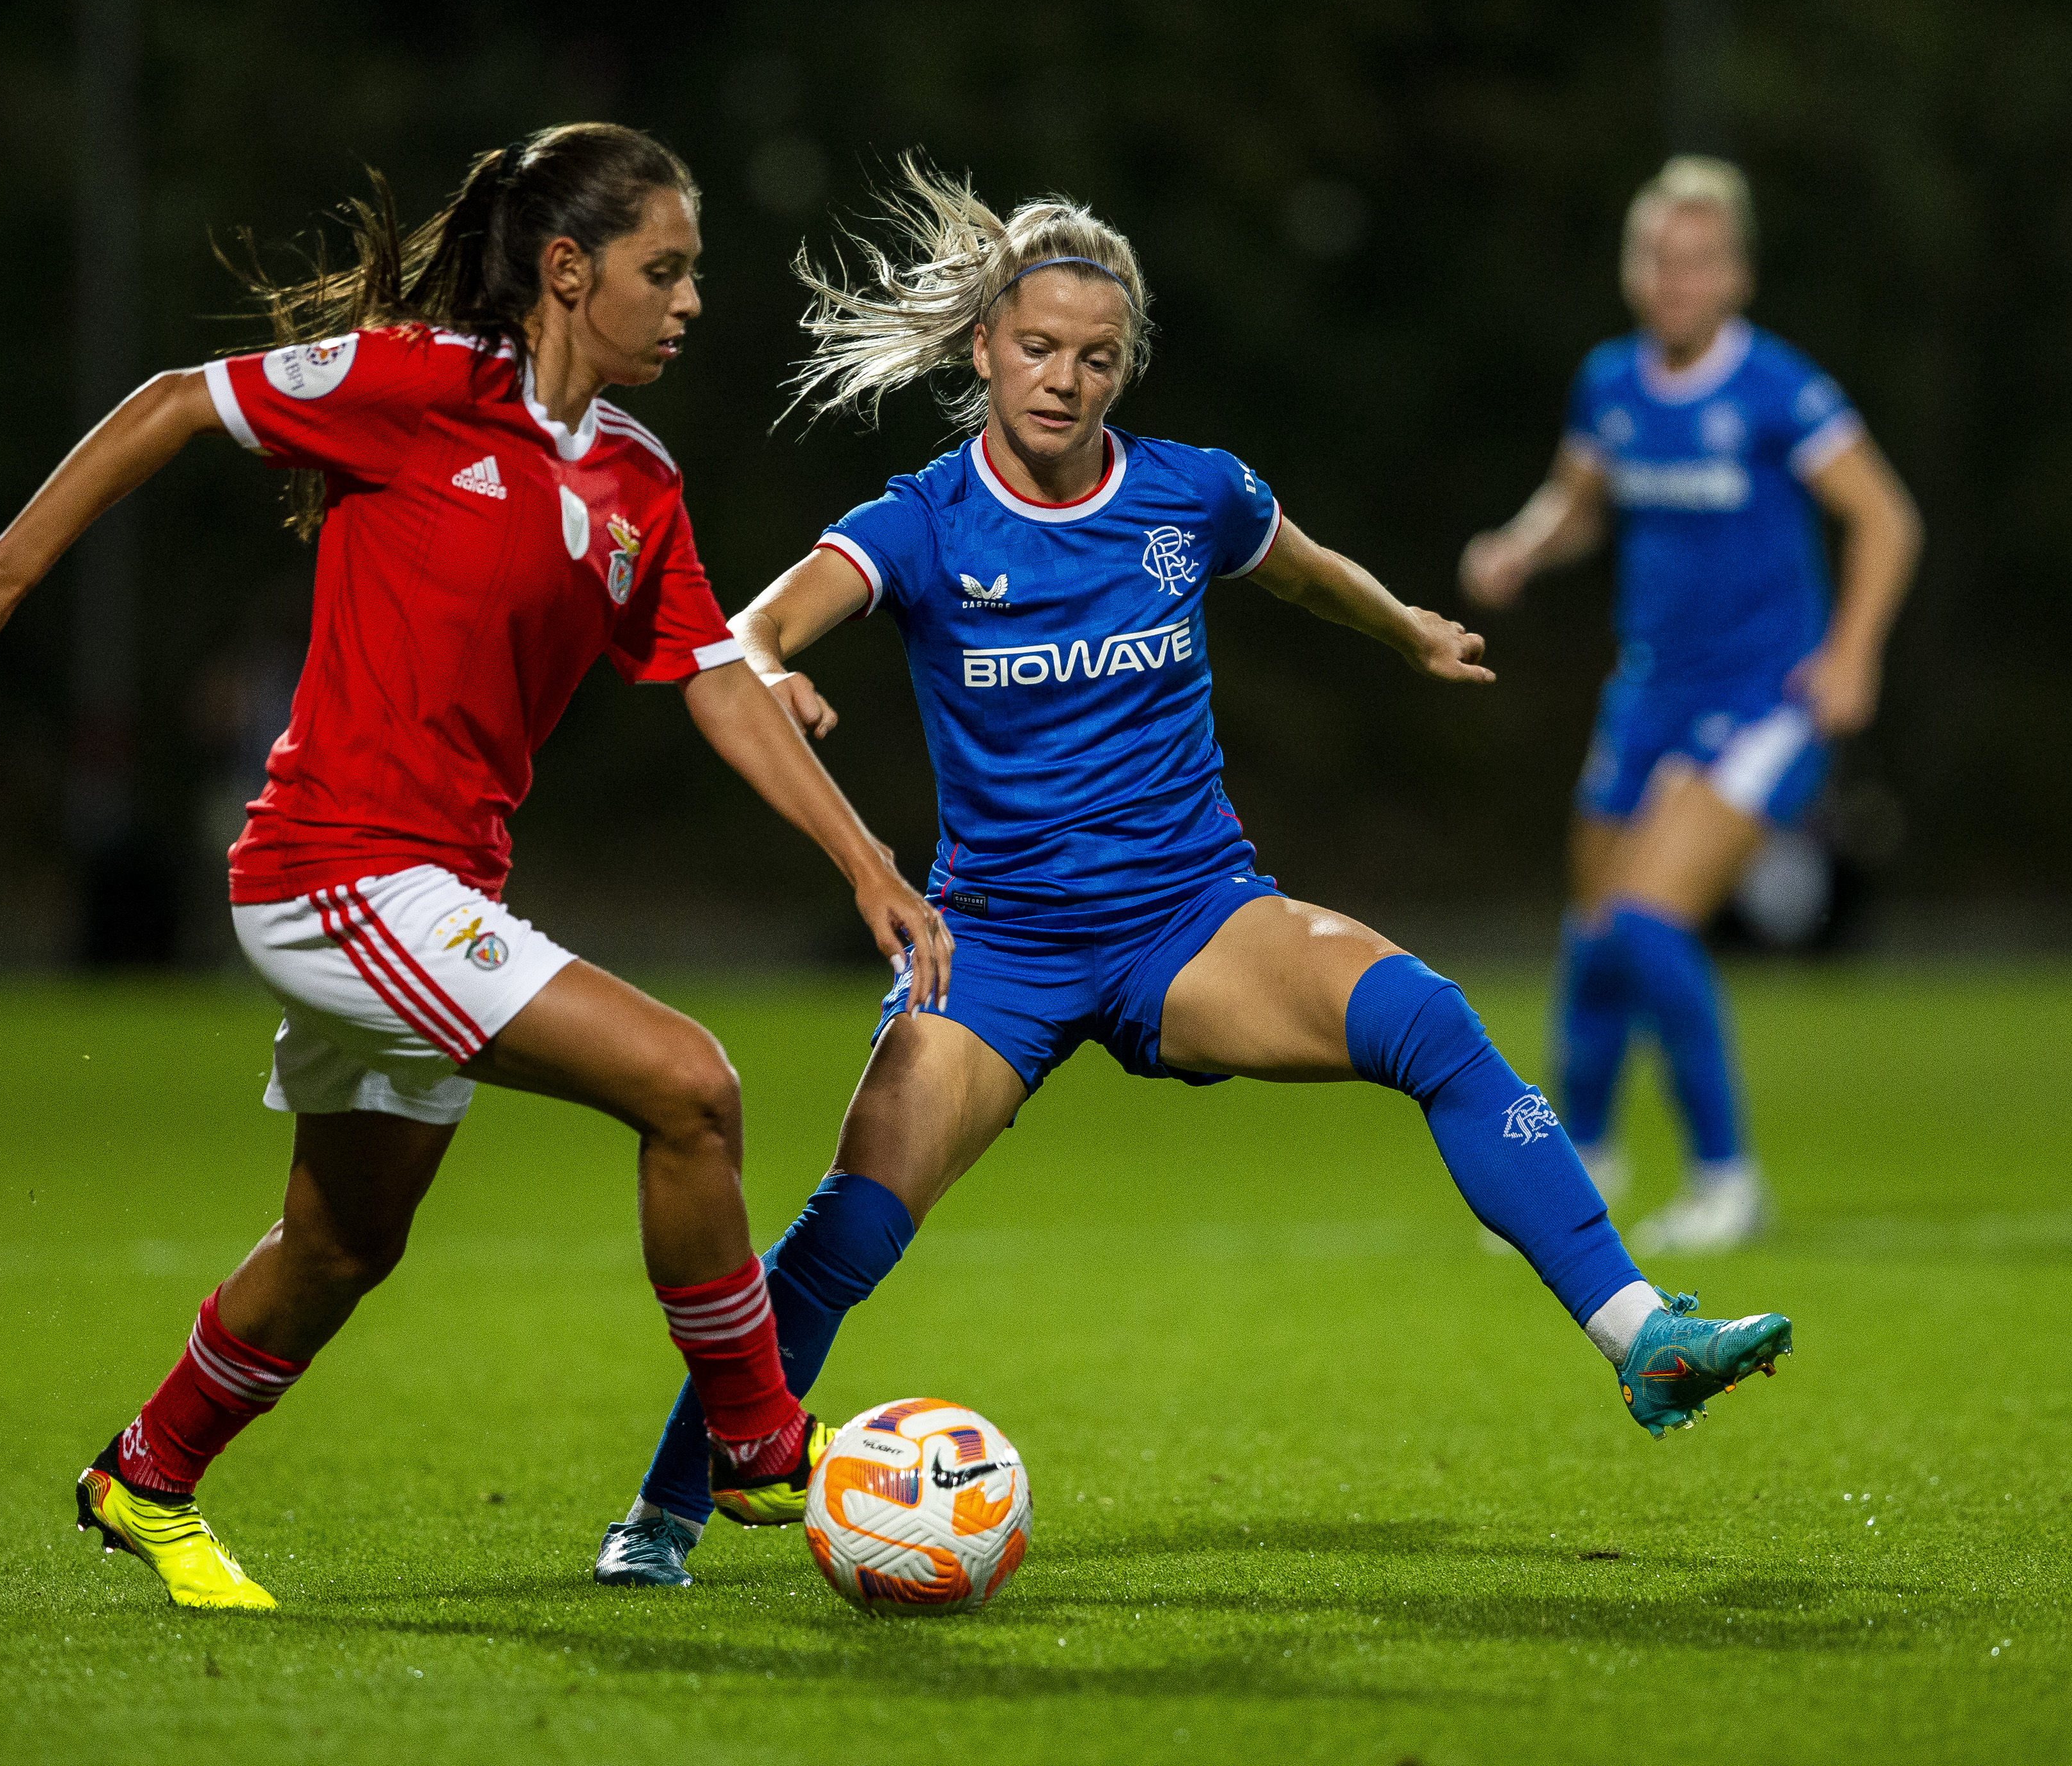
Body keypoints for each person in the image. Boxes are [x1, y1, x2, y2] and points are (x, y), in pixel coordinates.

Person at [592, 157, 1794, 1589]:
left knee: (1425, 1018)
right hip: (999, 950)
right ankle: (663, 1510)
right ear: (982, 345)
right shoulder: (922, 520)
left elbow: (1291, 565)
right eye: (1035, 348)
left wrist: (1400, 626)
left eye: (1095, 358)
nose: (1062, 379)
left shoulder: (1185, 494)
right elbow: (757, 623)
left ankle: (1637, 1332)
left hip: (1190, 917)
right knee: (846, 1226)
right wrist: (774, 669)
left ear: (1124, 368)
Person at [0, 123, 952, 1611]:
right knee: (691, 1084)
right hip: (333, 873)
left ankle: (145, 1475)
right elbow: (173, 401)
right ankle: (762, 1445)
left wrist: (861, 855)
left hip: (431, 886)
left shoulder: (638, 478)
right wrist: (5, 568)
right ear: (568, 271)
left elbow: (716, 675)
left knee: (337, 1245)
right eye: (667, 267)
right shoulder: (412, 387)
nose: (692, 299)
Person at [1460, 157, 1922, 1253]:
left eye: (1698, 260)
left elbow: (1885, 518)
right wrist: (1521, 549)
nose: (1675, 279)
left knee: (1646, 921)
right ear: (1634, 271)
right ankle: (1586, 1162)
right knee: (1591, 935)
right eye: (1658, 258)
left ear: (1736, 276)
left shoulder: (1776, 390)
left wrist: (1851, 654)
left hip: (1762, 700)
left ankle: (1727, 1178)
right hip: (1647, 692)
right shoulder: (1611, 385)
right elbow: (1578, 505)